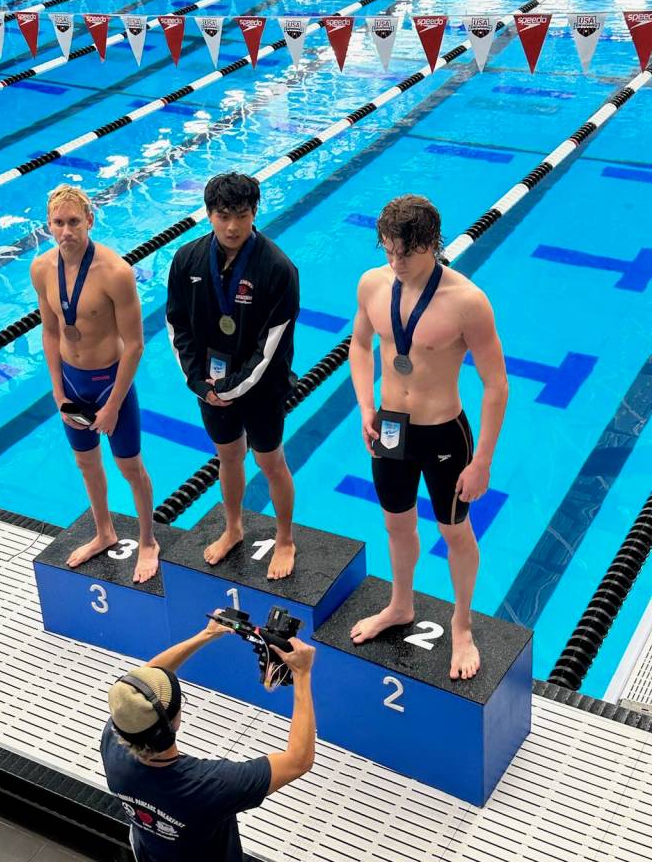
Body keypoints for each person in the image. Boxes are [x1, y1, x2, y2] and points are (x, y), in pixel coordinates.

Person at [348, 194, 508, 680]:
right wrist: (366, 406)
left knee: (454, 531)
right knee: (396, 524)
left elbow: (496, 386)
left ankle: (461, 625)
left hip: (443, 433)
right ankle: (400, 604)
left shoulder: (466, 302)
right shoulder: (372, 284)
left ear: (433, 245)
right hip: (391, 428)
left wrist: (481, 461)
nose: (395, 262)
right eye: (389, 250)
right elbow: (358, 345)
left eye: (406, 253)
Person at [166, 172, 300, 580]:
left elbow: (271, 345)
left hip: (261, 388)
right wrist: (199, 383)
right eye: (223, 215)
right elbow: (177, 325)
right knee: (227, 456)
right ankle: (233, 528)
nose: (231, 226)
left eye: (241, 215)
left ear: (254, 212)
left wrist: (229, 387)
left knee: (270, 460)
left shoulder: (278, 268)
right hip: (210, 386)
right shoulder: (187, 260)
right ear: (208, 214)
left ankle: (285, 539)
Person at [101, 613, 315, 862]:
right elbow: (298, 760)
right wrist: (302, 674)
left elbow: (138, 686)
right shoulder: (208, 785)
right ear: (175, 722)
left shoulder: (114, 744)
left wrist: (207, 634)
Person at [30, 184, 159, 583]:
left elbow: (135, 345)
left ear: (90, 220)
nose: (66, 231)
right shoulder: (41, 269)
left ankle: (149, 541)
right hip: (71, 382)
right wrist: (57, 388)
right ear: (48, 225)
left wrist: (114, 404)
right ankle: (104, 532)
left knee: (130, 467)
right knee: (86, 463)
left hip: (109, 384)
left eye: (73, 222)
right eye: (58, 223)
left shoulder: (115, 272)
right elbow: (50, 332)